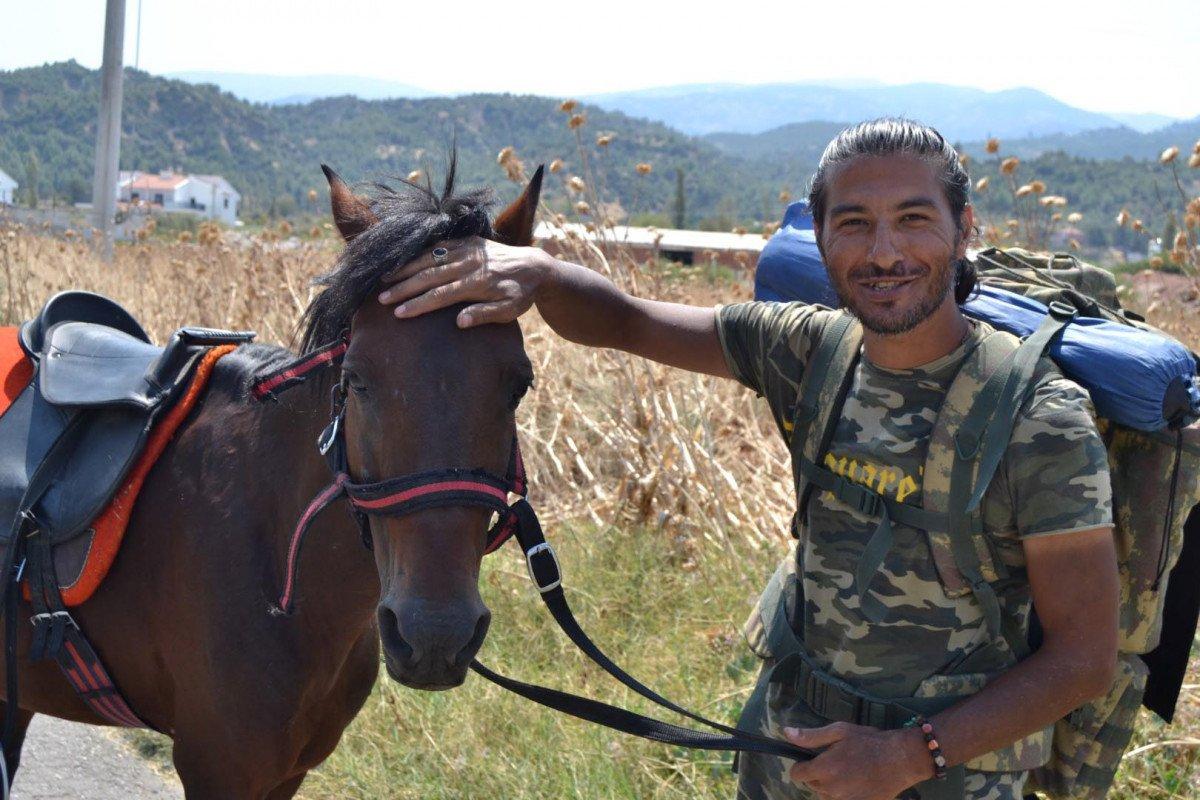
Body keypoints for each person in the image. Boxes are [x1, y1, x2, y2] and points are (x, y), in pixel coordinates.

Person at [376, 118, 1119, 800]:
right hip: (786, 749)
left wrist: (905, 755)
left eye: (914, 220)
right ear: (822, 239)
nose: (884, 251)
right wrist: (540, 273)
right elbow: (628, 322)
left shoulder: (1037, 419)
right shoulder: (809, 350)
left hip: (940, 776)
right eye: (853, 223)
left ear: (964, 231)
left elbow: (1084, 656)